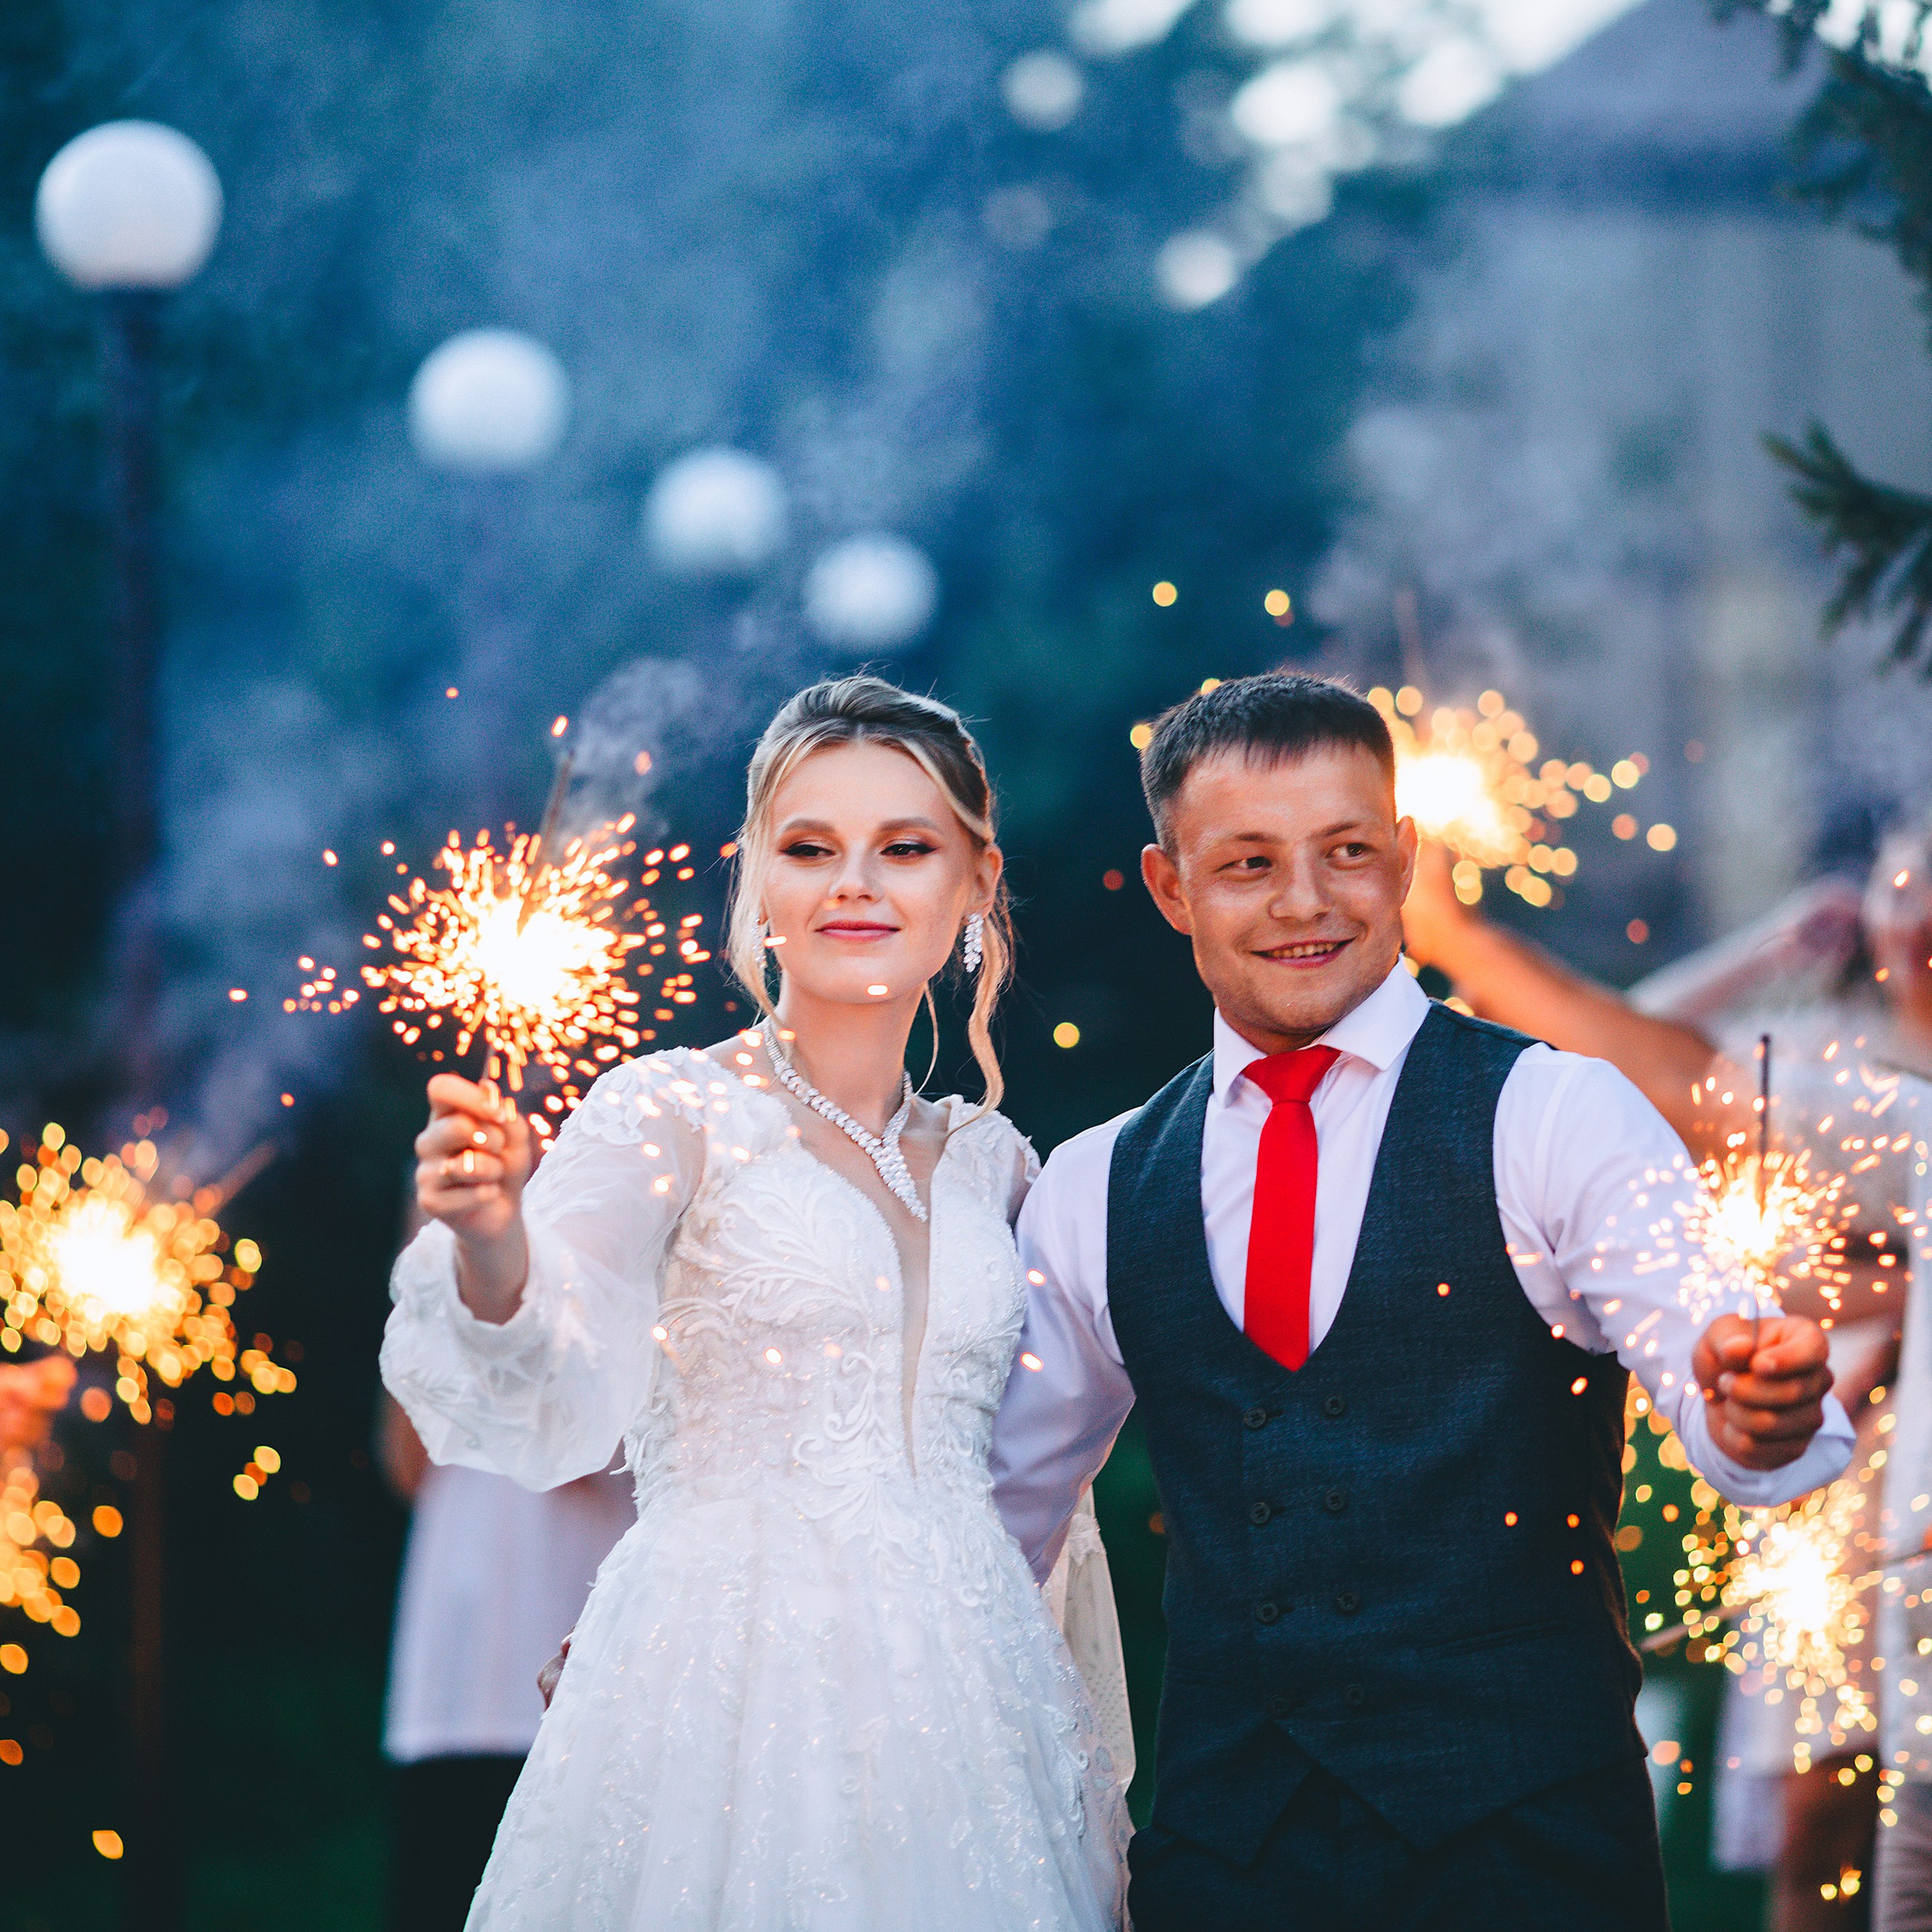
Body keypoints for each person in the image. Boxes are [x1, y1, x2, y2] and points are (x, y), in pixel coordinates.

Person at [989, 672, 1853, 1932]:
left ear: (1405, 858)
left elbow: (1710, 1356)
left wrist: (1757, 1405)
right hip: (1226, 1868)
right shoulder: (1092, 1186)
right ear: (1172, 888)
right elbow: (996, 1532)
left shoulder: (1557, 1111)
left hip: (1533, 1861)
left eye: (1347, 851)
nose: (1304, 902)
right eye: (1246, 864)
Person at [380, 677, 1130, 1931]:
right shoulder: (668, 1113)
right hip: (719, 1697)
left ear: (975, 882)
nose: (856, 884)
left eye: (904, 848)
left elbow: (1044, 1470)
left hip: (973, 1704)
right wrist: (493, 1240)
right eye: (810, 848)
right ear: (757, 882)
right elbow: (550, 1344)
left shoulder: (1001, 1164)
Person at [1405, 808, 1932, 1931]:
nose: (1913, 915)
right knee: (1832, 1838)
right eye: (1898, 887)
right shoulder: (1851, 1074)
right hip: (1848, 1517)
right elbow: (1653, 1072)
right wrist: (1450, 934)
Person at [378, 1392, 634, 1932]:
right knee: (443, 1880)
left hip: (574, 1606)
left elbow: (586, 1454)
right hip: (454, 1648)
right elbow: (406, 1462)